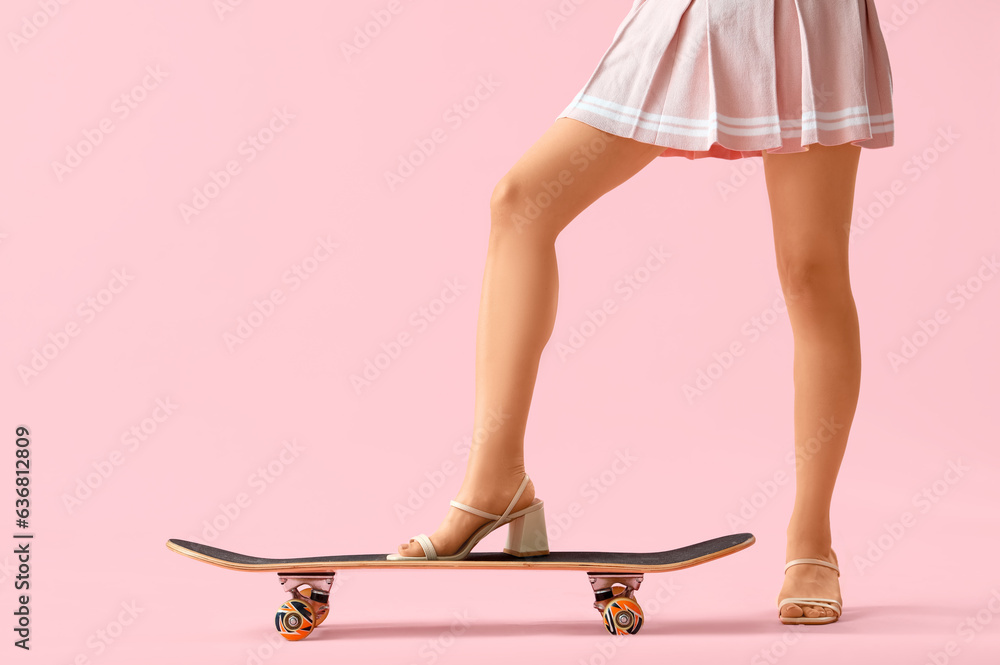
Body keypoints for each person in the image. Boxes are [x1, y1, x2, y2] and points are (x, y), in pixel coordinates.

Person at [388, 0, 894, 627]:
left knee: (812, 272)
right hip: (690, 11)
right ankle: (495, 481)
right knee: (520, 203)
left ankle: (811, 537)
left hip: (808, 15)